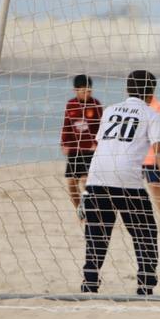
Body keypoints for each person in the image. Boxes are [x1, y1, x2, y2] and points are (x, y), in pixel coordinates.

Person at [80, 70, 160, 294]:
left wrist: (86, 191)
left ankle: (89, 284)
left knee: (97, 233)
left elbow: (101, 147)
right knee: (145, 232)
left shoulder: (108, 110)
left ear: (127, 89)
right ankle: (145, 286)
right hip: (127, 181)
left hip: (97, 178)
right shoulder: (151, 114)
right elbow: (159, 151)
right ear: (151, 92)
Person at [60, 74, 103, 218]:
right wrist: (64, 143)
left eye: (89, 90)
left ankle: (90, 210)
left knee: (86, 180)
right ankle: (79, 209)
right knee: (71, 183)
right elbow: (66, 125)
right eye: (84, 91)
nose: (87, 93)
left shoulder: (95, 105)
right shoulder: (70, 105)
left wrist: (96, 144)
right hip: (74, 149)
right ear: (76, 90)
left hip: (90, 149)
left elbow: (101, 127)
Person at [141, 93, 160, 224]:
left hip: (151, 155)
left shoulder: (159, 107)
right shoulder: (134, 106)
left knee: (154, 185)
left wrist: (156, 151)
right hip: (133, 155)